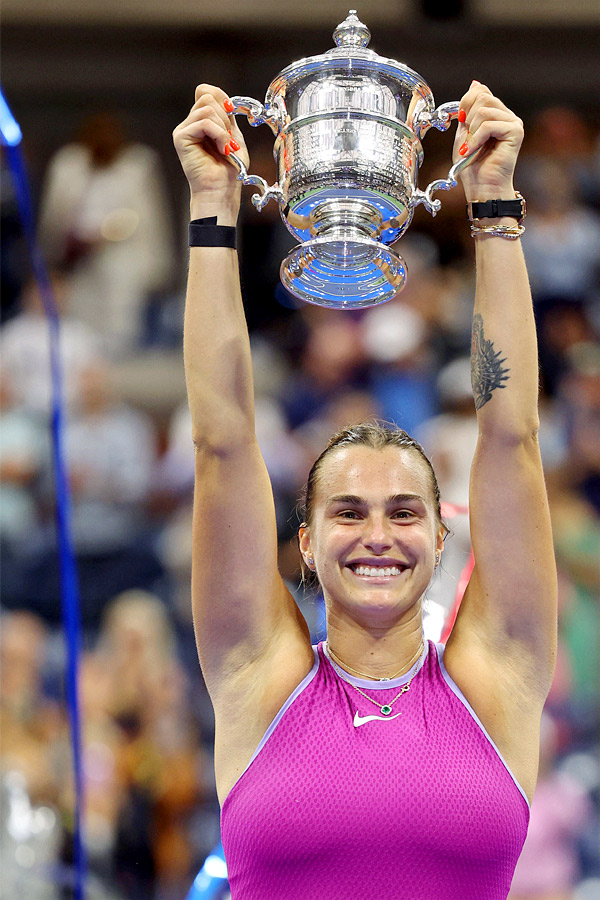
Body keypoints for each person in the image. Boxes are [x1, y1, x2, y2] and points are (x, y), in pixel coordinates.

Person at [173, 81, 557, 899]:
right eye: (347, 511)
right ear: (304, 543)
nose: (377, 534)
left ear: (443, 537)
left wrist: (494, 208)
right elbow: (222, 443)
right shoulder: (257, 674)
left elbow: (512, 437)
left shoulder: (500, 674)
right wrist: (214, 209)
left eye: (404, 511)